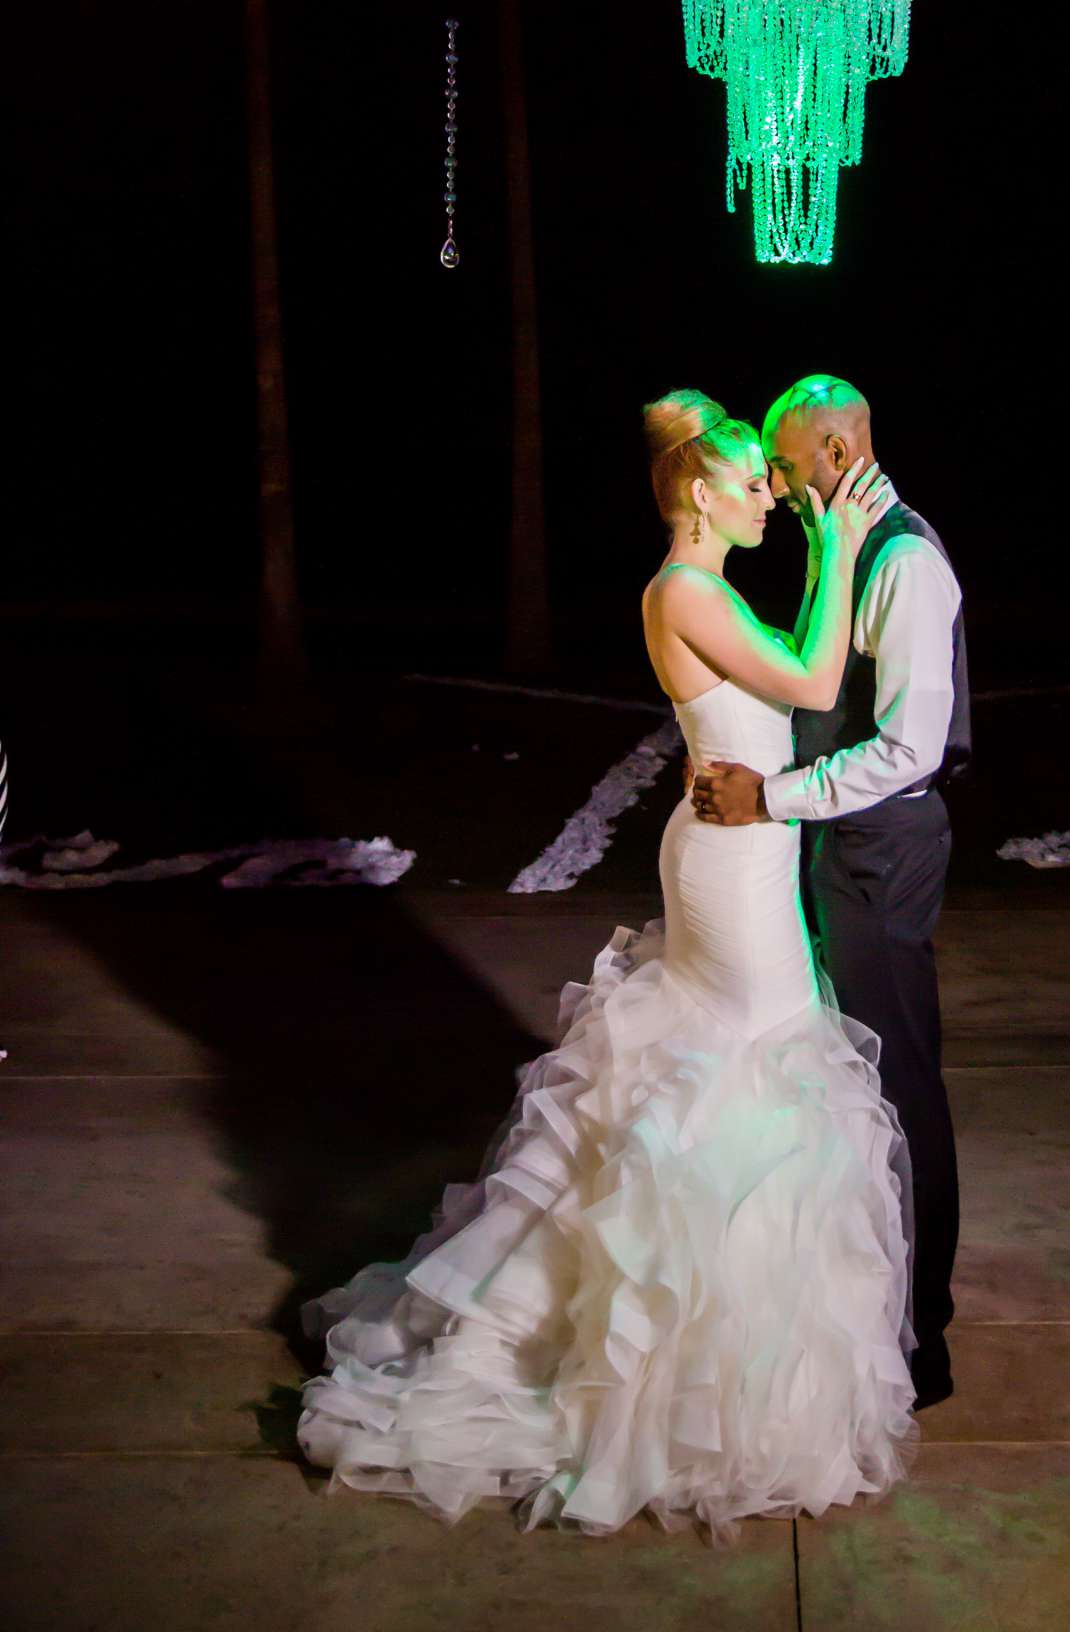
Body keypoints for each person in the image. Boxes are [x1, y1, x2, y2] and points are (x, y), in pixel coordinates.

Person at [295, 389, 920, 1542]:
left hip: (741, 850)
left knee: (732, 1077)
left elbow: (794, 686)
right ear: (699, 492)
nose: (769, 498)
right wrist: (835, 544)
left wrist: (821, 547)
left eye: (771, 486)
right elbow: (818, 686)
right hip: (733, 874)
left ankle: (725, 1359)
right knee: (752, 1074)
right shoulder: (683, 590)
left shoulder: (706, 587)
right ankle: (675, 1384)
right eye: (749, 481)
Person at [691, 373, 967, 1412]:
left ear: (837, 455)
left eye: (784, 458)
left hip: (881, 853)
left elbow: (906, 746)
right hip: (844, 848)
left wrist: (774, 795)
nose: (773, 477)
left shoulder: (905, 564)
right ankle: (868, 1308)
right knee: (858, 1089)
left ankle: (921, 1338)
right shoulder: (846, 545)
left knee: (902, 1093)